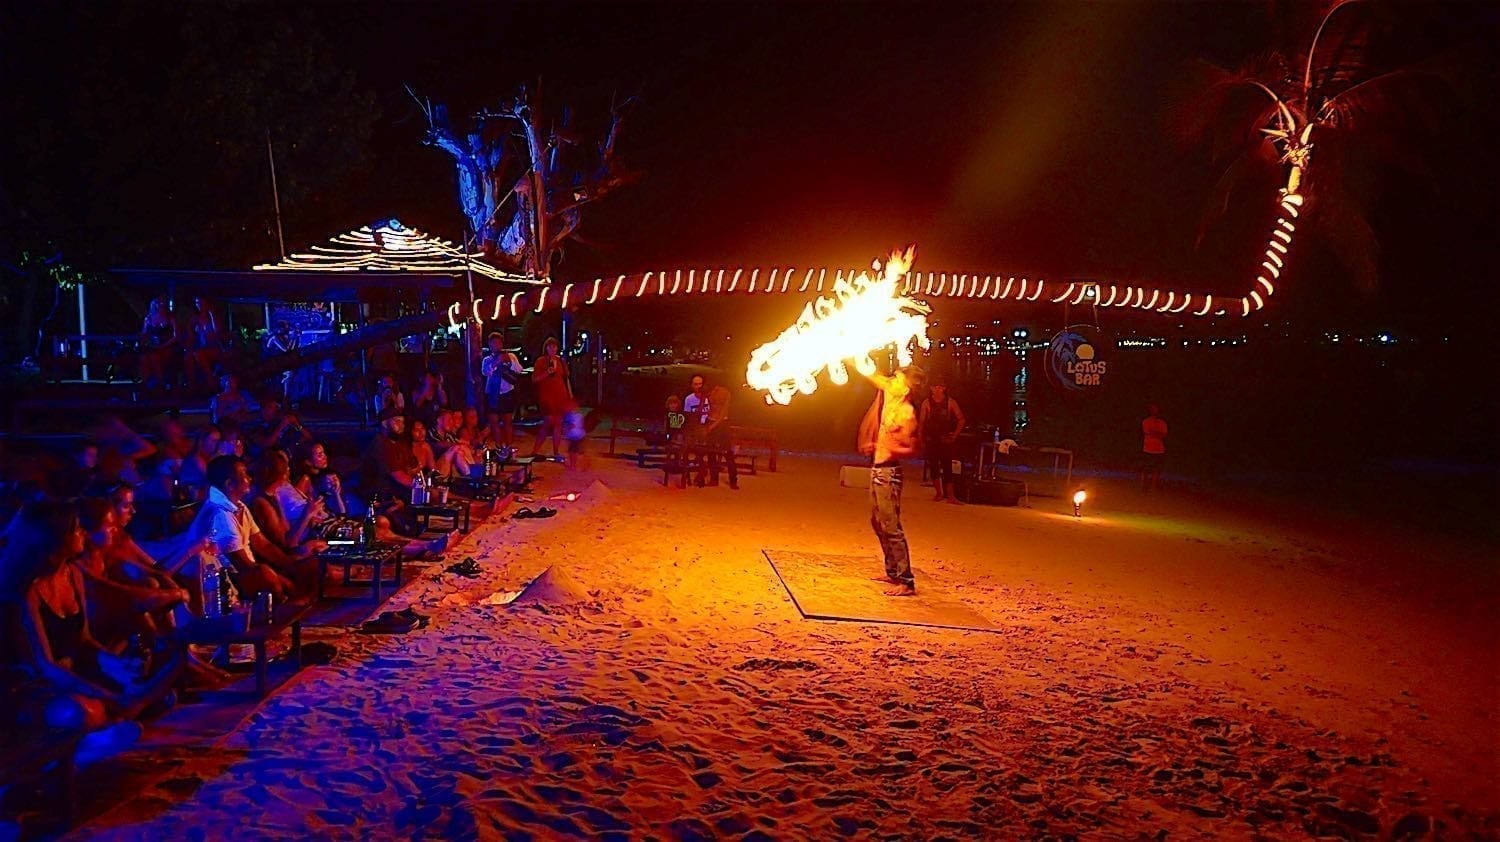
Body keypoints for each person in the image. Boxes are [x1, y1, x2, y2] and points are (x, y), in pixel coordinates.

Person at [187, 456, 296, 601]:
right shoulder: (219, 514)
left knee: (300, 565)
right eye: (244, 474)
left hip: (244, 572)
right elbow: (243, 566)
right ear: (230, 484)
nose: (250, 478)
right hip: (226, 583)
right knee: (265, 573)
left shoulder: (239, 506)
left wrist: (293, 566)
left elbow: (263, 545)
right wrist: (288, 582)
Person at [858, 365, 925, 597]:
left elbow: (913, 449)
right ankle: (893, 571)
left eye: (896, 378)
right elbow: (871, 374)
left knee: (891, 526)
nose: (891, 380)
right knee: (877, 522)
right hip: (877, 470)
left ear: (906, 387)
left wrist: (887, 447)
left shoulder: (907, 413)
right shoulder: (890, 395)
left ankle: (906, 581)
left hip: (889, 473)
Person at [919, 379, 967, 503]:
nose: (938, 390)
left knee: (947, 467)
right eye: (936, 387)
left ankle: (950, 496)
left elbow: (961, 419)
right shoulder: (927, 403)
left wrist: (955, 435)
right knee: (934, 466)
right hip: (931, 439)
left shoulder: (950, 402)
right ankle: (939, 493)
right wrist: (921, 439)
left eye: (941, 387)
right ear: (931, 388)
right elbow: (921, 423)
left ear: (944, 388)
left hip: (945, 439)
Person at [529, 337, 572, 460]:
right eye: (549, 346)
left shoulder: (561, 362)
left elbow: (566, 379)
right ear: (546, 348)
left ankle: (556, 452)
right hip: (547, 397)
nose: (552, 349)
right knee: (547, 423)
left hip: (560, 396)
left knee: (558, 424)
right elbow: (535, 379)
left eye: (554, 346)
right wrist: (546, 373)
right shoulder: (541, 361)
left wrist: (569, 396)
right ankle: (535, 450)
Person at [482, 335, 524, 448]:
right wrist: (496, 363)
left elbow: (519, 370)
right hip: (492, 394)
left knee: (507, 422)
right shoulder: (487, 359)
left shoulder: (510, 356)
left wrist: (509, 362)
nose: (495, 345)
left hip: (507, 393)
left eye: (497, 342)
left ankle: (509, 447)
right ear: (489, 345)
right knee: (494, 421)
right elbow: (486, 372)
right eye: (493, 343)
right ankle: (499, 447)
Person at [246, 396, 311, 457]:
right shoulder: (256, 426)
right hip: (269, 459)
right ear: (263, 409)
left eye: (276, 407)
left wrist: (296, 424)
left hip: (290, 458)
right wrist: (281, 426)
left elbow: (308, 437)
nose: (275, 410)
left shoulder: (279, 422)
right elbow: (265, 444)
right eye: (271, 407)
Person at [138, 297, 178, 393]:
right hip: (152, 346)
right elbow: (144, 335)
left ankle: (160, 384)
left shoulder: (170, 318)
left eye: (162, 303)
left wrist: (163, 345)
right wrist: (143, 342)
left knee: (155, 357)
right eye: (158, 303)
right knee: (144, 358)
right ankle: (147, 384)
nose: (161, 305)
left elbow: (176, 336)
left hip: (167, 346)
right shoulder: (148, 318)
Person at [296, 441, 346, 516]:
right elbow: (296, 507)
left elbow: (341, 513)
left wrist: (336, 493)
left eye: (323, 453)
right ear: (308, 462)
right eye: (319, 454)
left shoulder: (322, 476)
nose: (325, 457)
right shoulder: (305, 479)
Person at [703, 385, 738, 490]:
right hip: (711, 421)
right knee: (711, 452)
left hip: (722, 424)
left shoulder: (725, 393)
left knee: (727, 453)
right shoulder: (710, 392)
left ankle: (733, 480)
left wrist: (711, 427)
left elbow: (723, 414)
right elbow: (708, 409)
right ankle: (714, 479)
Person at [184, 297, 222, 391]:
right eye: (197, 303)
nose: (199, 305)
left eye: (201, 303)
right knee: (189, 356)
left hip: (214, 347)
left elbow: (217, 332)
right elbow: (190, 336)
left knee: (199, 354)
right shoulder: (194, 319)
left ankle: (211, 381)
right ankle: (192, 386)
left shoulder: (213, 317)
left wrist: (212, 314)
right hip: (200, 347)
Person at [1141, 404, 1168, 492]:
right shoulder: (1146, 421)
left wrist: (1154, 433)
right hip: (1148, 448)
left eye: (1156, 409)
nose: (1154, 411)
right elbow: (1147, 432)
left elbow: (1164, 435)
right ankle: (1143, 485)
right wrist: (1157, 433)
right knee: (1146, 468)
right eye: (1153, 409)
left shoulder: (1162, 422)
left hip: (1159, 449)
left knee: (1156, 469)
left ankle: (1154, 486)